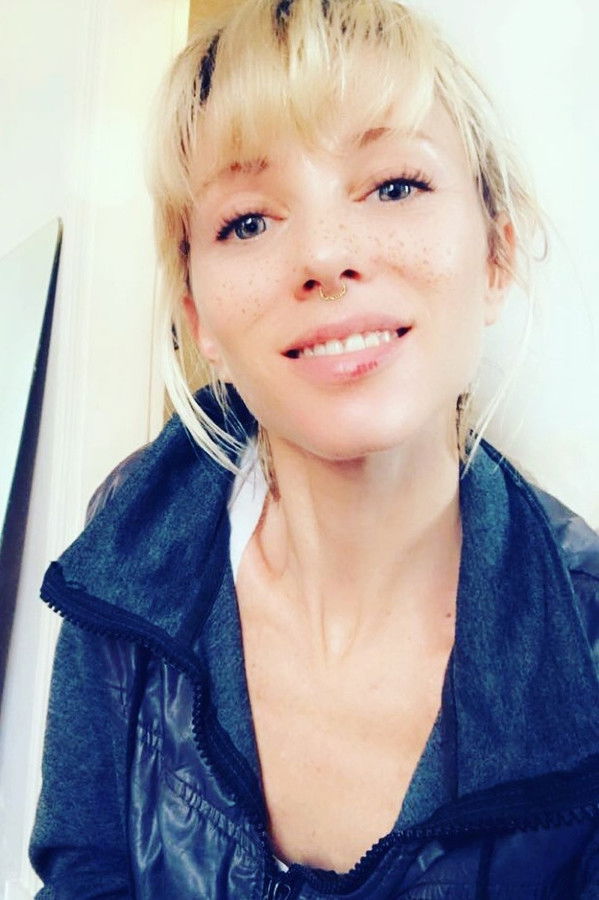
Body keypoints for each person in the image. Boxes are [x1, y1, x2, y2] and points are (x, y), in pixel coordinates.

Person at [30, 0, 599, 897]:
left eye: (393, 185)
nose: (325, 255)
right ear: (197, 315)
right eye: (248, 221)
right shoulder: (126, 556)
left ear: (495, 254)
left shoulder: (586, 641)